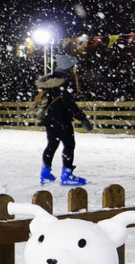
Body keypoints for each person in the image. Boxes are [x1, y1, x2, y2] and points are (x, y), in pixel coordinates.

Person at [37, 54, 94, 186]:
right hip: (61, 118)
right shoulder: (65, 80)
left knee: (52, 144)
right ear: (68, 66)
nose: (75, 68)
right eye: (74, 66)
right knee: (69, 145)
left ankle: (45, 173)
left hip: (49, 117)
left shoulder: (50, 80)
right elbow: (68, 102)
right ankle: (67, 175)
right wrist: (82, 118)